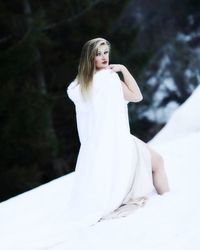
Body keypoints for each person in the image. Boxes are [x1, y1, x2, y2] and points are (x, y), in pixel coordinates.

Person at [66, 37, 169, 226]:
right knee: (158, 162)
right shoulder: (108, 79)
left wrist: (121, 69)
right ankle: (169, 202)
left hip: (102, 146)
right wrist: (123, 70)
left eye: (106, 52)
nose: (104, 57)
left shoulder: (80, 87)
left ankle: (167, 200)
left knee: (157, 162)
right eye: (98, 54)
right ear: (90, 58)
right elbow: (137, 96)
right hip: (118, 141)